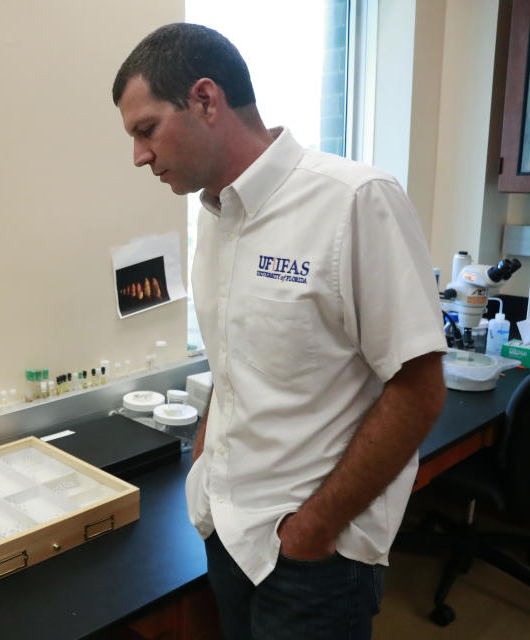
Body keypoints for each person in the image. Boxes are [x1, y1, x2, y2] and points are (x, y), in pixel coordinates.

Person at [112, 23, 447, 639]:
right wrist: (205, 463)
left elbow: (420, 390)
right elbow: (236, 357)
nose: (139, 155)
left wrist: (315, 529)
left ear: (206, 100)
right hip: (229, 531)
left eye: (146, 129)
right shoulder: (214, 216)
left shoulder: (354, 200)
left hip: (312, 555)